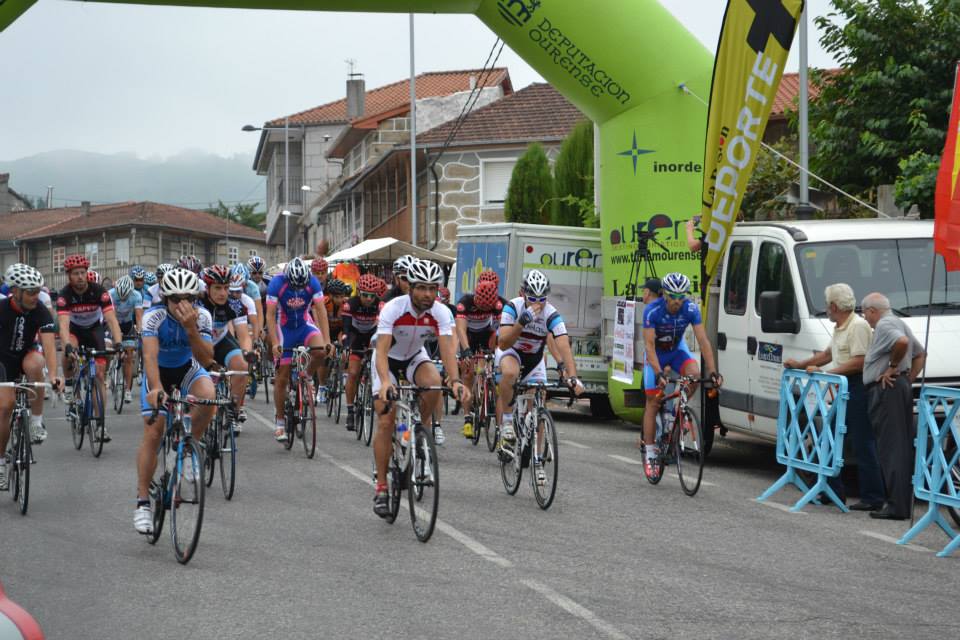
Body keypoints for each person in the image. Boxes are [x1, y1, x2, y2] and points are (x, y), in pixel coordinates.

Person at [372, 259, 468, 516]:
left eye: (432, 288)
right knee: (386, 420)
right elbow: (381, 350)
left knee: (434, 384)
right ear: (411, 287)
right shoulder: (393, 308)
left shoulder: (440, 312)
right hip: (387, 361)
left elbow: (447, 350)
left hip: (415, 356)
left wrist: (455, 380)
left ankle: (420, 434)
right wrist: (385, 382)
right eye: (422, 288)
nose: (428, 294)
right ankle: (381, 487)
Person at [784, 283, 885, 510]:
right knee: (828, 437)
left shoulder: (857, 326)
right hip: (844, 387)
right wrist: (800, 364)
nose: (826, 309)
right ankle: (832, 490)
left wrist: (828, 374)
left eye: (827, 305)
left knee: (862, 442)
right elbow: (828, 354)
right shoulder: (841, 326)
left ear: (833, 306)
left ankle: (873, 497)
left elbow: (860, 361)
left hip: (857, 387)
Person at [135, 268, 216, 535]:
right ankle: (142, 502)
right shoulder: (154, 316)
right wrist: (157, 389)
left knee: (209, 398)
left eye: (188, 298)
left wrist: (191, 329)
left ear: (196, 298)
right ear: (165, 298)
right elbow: (149, 357)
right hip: (159, 371)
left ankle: (189, 447)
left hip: (186, 368)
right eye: (175, 299)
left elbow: (206, 359)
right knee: (154, 431)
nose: (182, 304)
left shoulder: (203, 316)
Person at [496, 269, 585, 482]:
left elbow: (563, 345)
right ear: (523, 294)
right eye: (533, 298)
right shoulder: (512, 307)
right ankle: (507, 421)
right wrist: (521, 323)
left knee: (539, 402)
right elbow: (503, 343)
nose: (538, 303)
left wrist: (572, 376)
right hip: (511, 352)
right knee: (510, 372)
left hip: (534, 359)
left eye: (542, 299)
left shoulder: (551, 314)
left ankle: (537, 459)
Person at [640, 272, 722, 482]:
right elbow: (649, 346)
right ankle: (650, 452)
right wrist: (658, 372)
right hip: (656, 354)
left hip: (677, 351)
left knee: (695, 375)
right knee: (653, 401)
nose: (677, 301)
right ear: (664, 294)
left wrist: (713, 371)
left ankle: (678, 411)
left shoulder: (691, 309)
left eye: (681, 296)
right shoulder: (652, 310)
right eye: (673, 296)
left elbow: (703, 341)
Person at [861, 292, 925, 521]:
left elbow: (903, 343)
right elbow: (920, 354)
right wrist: (907, 379)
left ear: (872, 311)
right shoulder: (898, 321)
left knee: (891, 448)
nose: (865, 318)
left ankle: (896, 507)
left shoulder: (885, 324)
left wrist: (892, 367)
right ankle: (899, 504)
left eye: (865, 313)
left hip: (887, 390)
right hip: (898, 387)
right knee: (899, 446)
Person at [0, 264, 63, 490]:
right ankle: (0, 463)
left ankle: (36, 421)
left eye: (38, 290)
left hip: (26, 355)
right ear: (15, 291)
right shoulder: (2, 308)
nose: (36, 296)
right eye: (31, 292)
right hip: (2, 362)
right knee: (5, 407)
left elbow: (49, 347)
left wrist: (54, 376)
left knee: (36, 363)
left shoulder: (40, 310)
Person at [58, 254, 124, 443]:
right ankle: (69, 385)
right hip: (74, 331)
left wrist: (118, 343)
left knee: (99, 376)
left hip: (94, 331)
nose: (80, 277)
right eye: (75, 274)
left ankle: (101, 424)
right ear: (69, 276)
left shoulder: (99, 291)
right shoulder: (65, 294)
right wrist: (67, 346)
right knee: (68, 351)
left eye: (82, 272)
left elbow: (111, 320)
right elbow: (63, 325)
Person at [266, 257, 330, 442]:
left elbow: (321, 311)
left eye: (302, 285)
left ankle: (307, 376)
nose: (298, 289)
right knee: (282, 376)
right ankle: (280, 422)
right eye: (295, 285)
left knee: (321, 351)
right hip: (284, 328)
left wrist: (327, 340)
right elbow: (270, 315)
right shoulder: (277, 283)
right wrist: (275, 343)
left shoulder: (312, 282)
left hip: (304, 325)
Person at [200, 265, 252, 428]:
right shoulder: (197, 302)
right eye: (217, 288)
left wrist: (247, 353)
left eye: (226, 288)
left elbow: (244, 335)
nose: (223, 293)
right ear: (207, 288)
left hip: (221, 341)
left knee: (242, 366)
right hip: (199, 344)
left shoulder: (235, 304)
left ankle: (233, 411)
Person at [455, 280, 503, 439]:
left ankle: (489, 383)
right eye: (481, 307)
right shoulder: (465, 303)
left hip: (487, 335)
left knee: (496, 359)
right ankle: (467, 417)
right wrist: (466, 350)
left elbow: (503, 329)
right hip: (469, 336)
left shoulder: (499, 304)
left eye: (487, 308)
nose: (484, 310)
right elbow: (460, 329)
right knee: (468, 374)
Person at [341, 274, 385, 432]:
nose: (368, 299)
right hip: (355, 336)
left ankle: (370, 386)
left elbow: (383, 327)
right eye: (365, 295)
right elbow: (346, 330)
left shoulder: (380, 305)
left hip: (372, 335)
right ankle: (350, 411)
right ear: (359, 292)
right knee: (353, 373)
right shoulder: (350, 304)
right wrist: (346, 346)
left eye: (372, 296)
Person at [108, 275, 144, 405]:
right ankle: (111, 367)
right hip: (113, 322)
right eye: (120, 296)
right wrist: (115, 333)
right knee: (110, 348)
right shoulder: (110, 294)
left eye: (125, 297)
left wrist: (139, 331)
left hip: (127, 324)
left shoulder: (136, 296)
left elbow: (139, 317)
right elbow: (109, 316)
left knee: (129, 356)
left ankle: (127, 390)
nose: (122, 299)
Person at [316, 278, 349, 404]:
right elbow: (318, 322)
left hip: (338, 330)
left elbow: (346, 326)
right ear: (330, 295)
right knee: (324, 356)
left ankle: (338, 376)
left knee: (344, 355)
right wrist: (326, 341)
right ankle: (322, 387)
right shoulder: (323, 302)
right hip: (324, 329)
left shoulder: (346, 305)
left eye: (341, 296)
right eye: (336, 297)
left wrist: (342, 339)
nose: (339, 299)